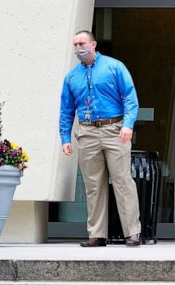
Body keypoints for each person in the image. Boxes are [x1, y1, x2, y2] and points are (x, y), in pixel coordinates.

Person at [59, 30, 143, 247]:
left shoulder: (114, 67)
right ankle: (97, 234)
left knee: (122, 181)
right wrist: (65, 138)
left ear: (93, 44)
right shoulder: (71, 77)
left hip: (114, 129)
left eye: (83, 43)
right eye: (76, 44)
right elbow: (66, 110)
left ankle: (133, 232)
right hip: (86, 132)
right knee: (93, 185)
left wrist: (128, 125)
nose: (79, 48)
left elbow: (130, 98)